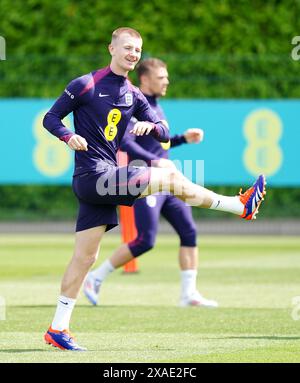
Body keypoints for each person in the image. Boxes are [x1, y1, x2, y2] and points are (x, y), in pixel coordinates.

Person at [43, 27, 266, 351]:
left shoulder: (133, 94)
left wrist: (153, 126)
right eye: (127, 48)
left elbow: (162, 129)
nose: (133, 53)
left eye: (137, 49)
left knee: (84, 258)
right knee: (167, 179)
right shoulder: (86, 84)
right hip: (93, 176)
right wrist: (67, 136)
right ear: (111, 48)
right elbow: (51, 118)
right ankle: (238, 205)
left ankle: (57, 329)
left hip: (105, 177)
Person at [84, 57, 218, 308]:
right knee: (145, 240)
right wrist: (154, 163)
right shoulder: (131, 104)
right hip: (144, 180)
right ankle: (94, 278)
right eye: (161, 77)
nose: (166, 81)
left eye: (166, 77)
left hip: (167, 182)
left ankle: (188, 295)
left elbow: (158, 144)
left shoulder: (155, 105)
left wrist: (182, 139)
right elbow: (126, 143)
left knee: (189, 232)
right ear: (145, 79)